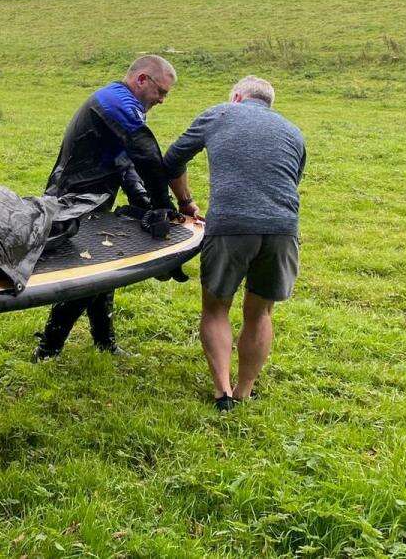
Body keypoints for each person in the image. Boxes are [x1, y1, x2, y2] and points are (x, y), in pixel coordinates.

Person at [164, 75, 306, 411]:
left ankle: (222, 392)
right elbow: (292, 179)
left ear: (237, 97)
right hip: (283, 228)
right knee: (260, 313)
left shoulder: (221, 113)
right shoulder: (292, 131)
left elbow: (171, 161)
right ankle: (245, 390)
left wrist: (185, 203)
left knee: (216, 309)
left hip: (230, 226)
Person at [33, 55, 183, 361]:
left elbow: (124, 163)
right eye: (161, 92)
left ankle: (104, 342)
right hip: (72, 202)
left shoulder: (125, 108)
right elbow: (147, 158)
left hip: (97, 199)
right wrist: (163, 206)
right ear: (142, 79)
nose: (162, 100)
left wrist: (144, 204)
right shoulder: (114, 102)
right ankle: (48, 349)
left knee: (103, 269)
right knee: (86, 275)